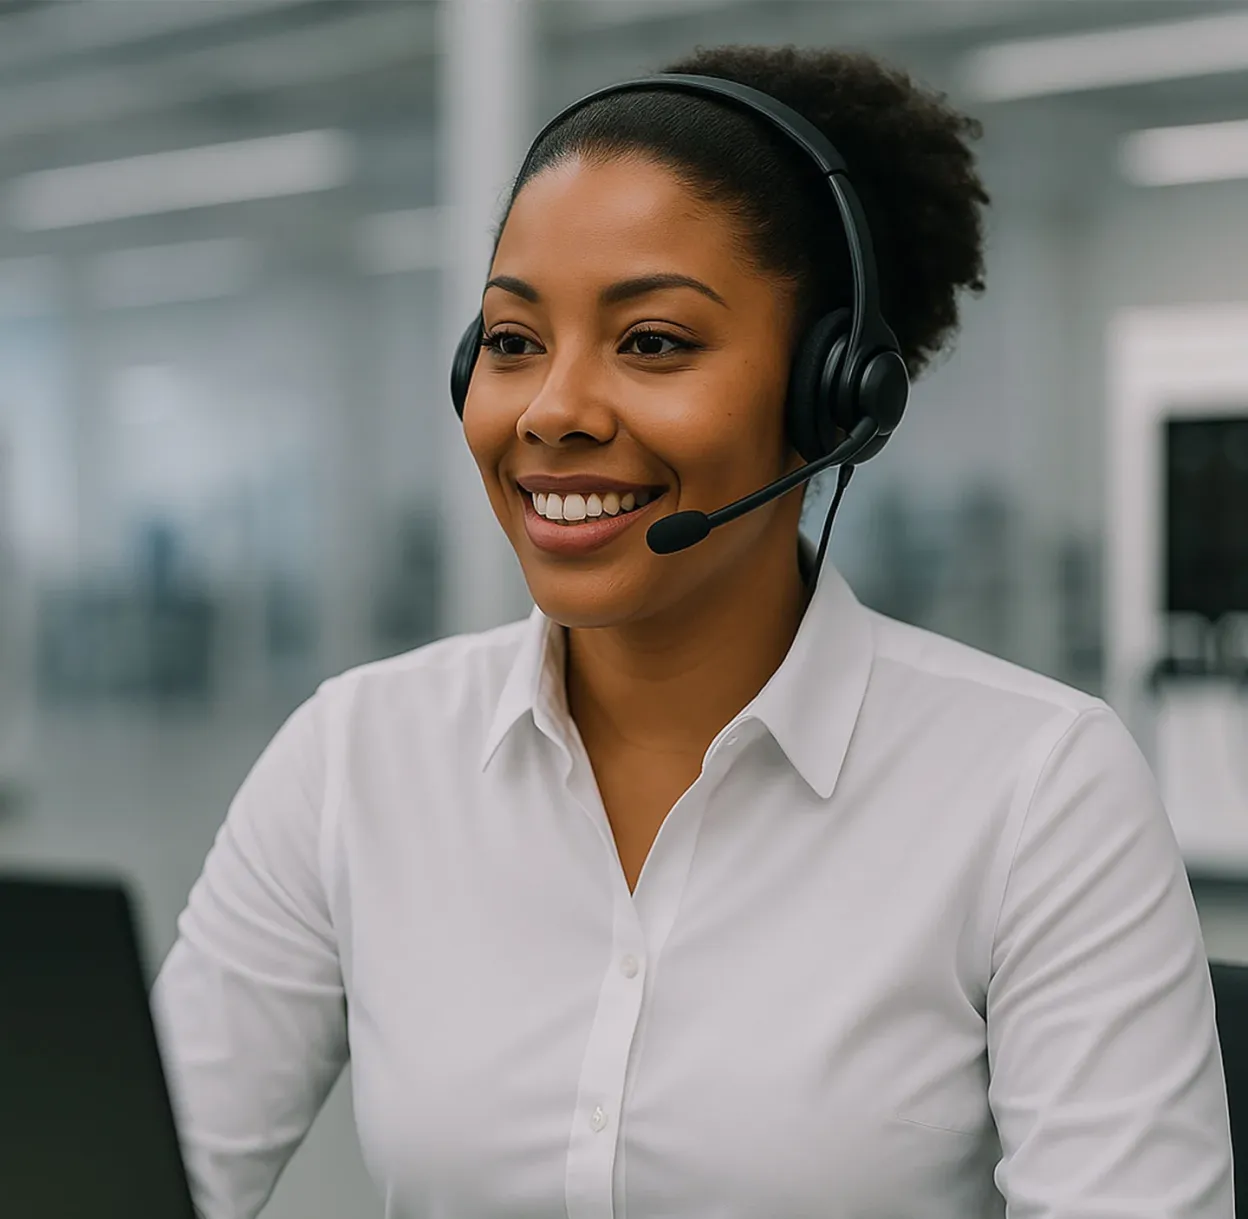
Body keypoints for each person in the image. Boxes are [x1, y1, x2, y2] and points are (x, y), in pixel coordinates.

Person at [150, 45, 1233, 1219]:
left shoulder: (1038, 791)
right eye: (513, 342)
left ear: (833, 396)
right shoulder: (353, 755)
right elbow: (129, 1168)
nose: (554, 410)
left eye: (653, 342)